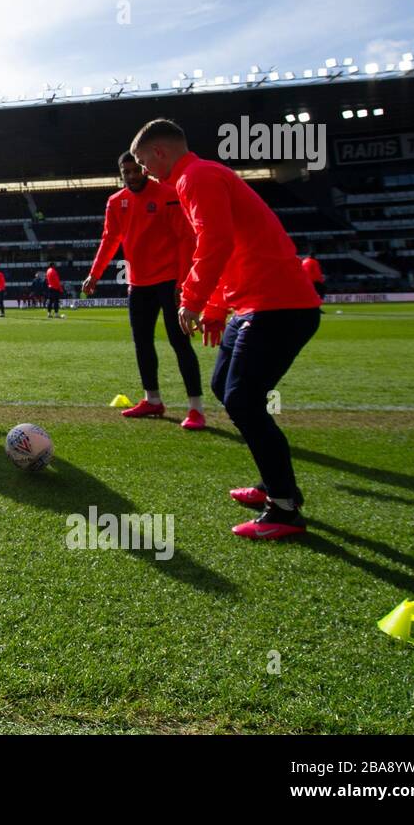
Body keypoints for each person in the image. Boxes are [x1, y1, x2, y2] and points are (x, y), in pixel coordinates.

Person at [131, 118, 322, 540]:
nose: (144, 171)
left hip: (277, 305)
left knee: (243, 399)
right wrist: (217, 306)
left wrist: (194, 299)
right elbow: (228, 244)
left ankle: (285, 509)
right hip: (252, 303)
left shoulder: (196, 177)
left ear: (160, 153)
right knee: (224, 387)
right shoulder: (198, 177)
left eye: (144, 161)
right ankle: (275, 486)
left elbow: (214, 242)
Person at [82, 150, 205, 430]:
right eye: (127, 172)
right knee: (143, 343)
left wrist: (183, 281)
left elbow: (185, 238)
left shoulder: (168, 194)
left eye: (137, 170)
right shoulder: (116, 202)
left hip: (170, 281)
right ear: (121, 174)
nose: (133, 176)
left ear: (145, 170)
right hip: (138, 284)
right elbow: (110, 239)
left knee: (179, 342)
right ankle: (153, 399)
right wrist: (94, 274)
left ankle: (196, 408)